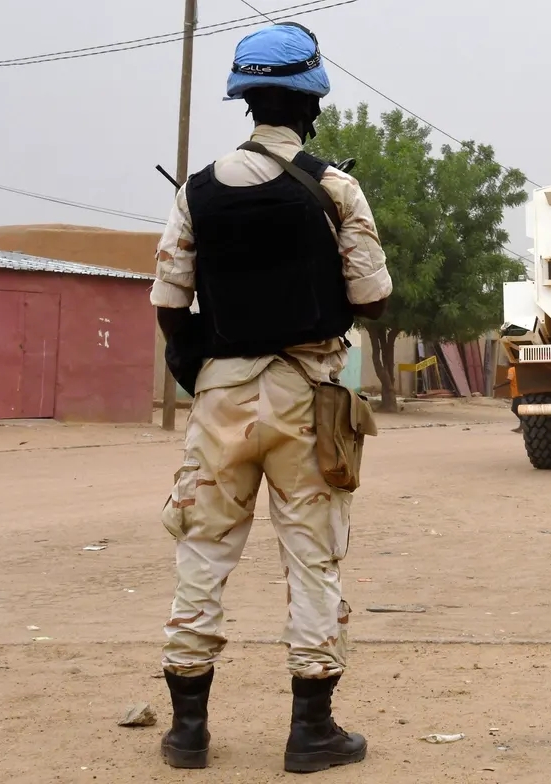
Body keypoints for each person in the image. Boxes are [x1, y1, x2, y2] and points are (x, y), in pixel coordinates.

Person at [150, 22, 392, 773]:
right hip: (309, 399)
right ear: (311, 104)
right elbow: (374, 299)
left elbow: (168, 302)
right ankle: (311, 732)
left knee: (202, 555)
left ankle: (187, 732)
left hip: (220, 397)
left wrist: (207, 369)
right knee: (313, 562)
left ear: (246, 100)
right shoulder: (335, 187)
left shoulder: (196, 191)